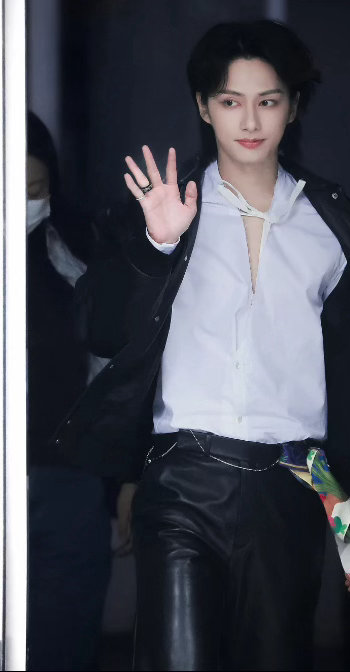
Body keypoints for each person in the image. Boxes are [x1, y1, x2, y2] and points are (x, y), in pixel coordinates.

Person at [53, 19, 350, 671]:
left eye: (267, 100)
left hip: (295, 482)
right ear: (202, 106)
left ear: (293, 107)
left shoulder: (334, 227)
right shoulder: (165, 208)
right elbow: (103, 332)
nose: (249, 120)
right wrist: (156, 246)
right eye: (229, 100)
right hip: (181, 479)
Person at [26, 112, 133, 671]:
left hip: (69, 481)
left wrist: (128, 476)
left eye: (35, 189)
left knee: (63, 645)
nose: (25, 204)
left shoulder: (73, 249)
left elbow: (118, 369)